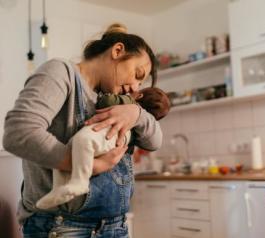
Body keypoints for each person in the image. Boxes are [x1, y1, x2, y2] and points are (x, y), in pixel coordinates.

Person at [2, 23, 162, 237]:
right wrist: (86, 166)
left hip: (116, 226)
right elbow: (18, 133)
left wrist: (136, 113)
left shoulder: (119, 102)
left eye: (141, 84)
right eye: (137, 73)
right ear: (117, 51)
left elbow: (155, 142)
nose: (135, 87)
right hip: (63, 226)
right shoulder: (62, 72)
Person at [36, 87, 170, 210]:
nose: (133, 87)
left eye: (138, 85)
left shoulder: (128, 102)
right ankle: (59, 189)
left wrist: (116, 98)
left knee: (82, 141)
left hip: (111, 134)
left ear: (139, 95)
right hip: (112, 137)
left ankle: (80, 181)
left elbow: (106, 101)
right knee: (69, 149)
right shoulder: (141, 124)